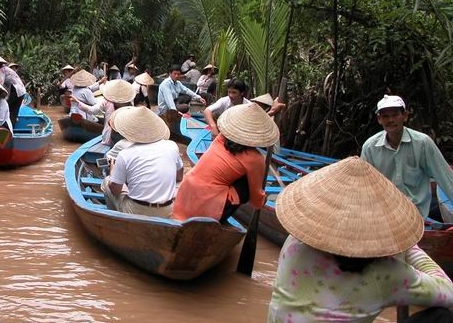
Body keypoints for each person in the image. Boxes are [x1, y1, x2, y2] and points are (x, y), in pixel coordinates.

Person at [267, 156, 453, 323]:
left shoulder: (294, 243)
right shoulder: (386, 273)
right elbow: (449, 292)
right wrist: (409, 245)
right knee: (443, 317)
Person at [172, 103, 279, 222]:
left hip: (186, 192)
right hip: (207, 206)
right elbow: (256, 201)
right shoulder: (255, 159)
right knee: (245, 185)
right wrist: (262, 199)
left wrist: (271, 112)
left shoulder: (220, 138)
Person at [361, 95, 453, 220]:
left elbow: (445, 178)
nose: (391, 120)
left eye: (395, 115)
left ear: (404, 116)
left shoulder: (422, 143)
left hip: (415, 213)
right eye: (386, 116)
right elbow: (364, 186)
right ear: (379, 119)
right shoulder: (370, 147)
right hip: (383, 214)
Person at [100, 106, 183, 217]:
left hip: (136, 211)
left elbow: (115, 190)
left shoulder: (124, 154)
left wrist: (112, 169)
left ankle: (114, 218)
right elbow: (179, 177)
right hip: (167, 210)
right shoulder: (172, 146)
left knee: (107, 181)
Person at [71, 79, 135, 145]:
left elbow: (91, 110)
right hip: (125, 134)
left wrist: (77, 101)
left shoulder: (106, 101)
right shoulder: (129, 103)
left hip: (111, 134)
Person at [0, 52, 26, 125]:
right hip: (22, 91)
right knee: (13, 111)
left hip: (16, 90)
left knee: (6, 107)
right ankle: (10, 127)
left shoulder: (2, 70)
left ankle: (4, 126)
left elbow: (0, 85)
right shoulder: (5, 69)